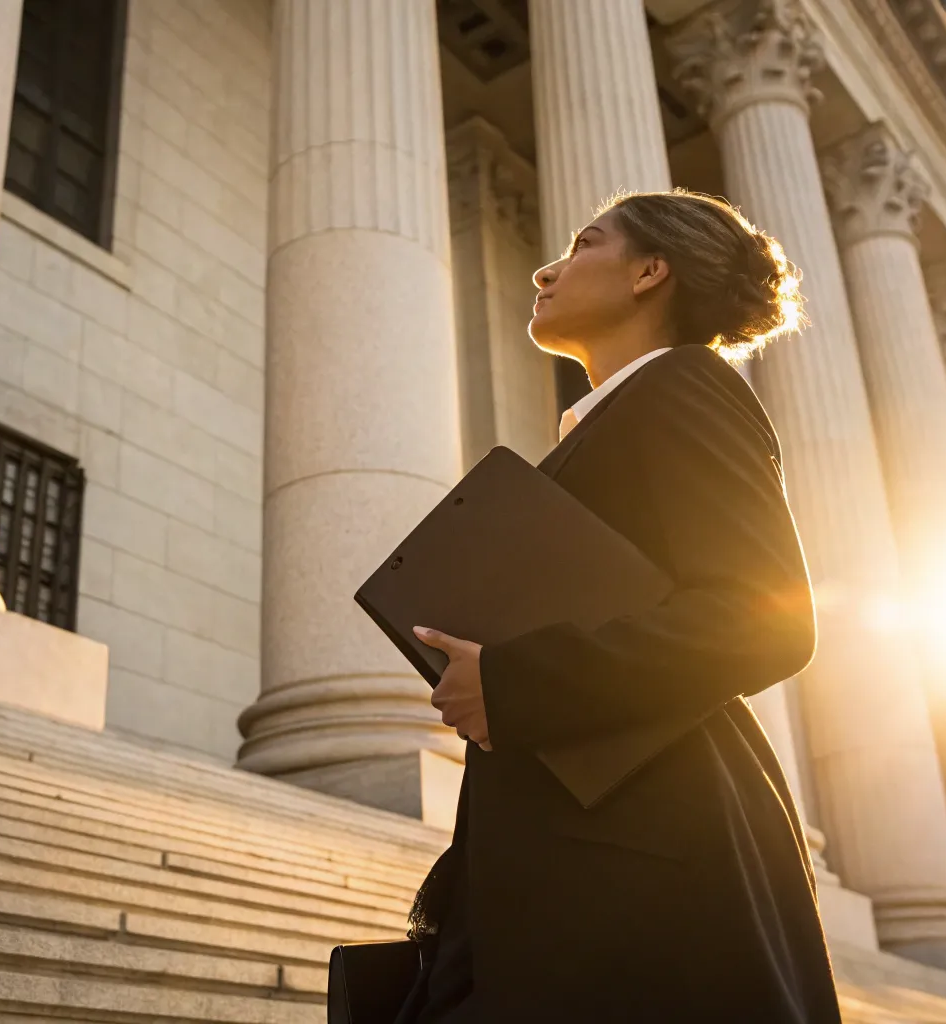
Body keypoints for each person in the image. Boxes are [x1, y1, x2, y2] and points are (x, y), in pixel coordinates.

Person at [395, 189, 840, 1022]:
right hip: (569, 841)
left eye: (584, 243)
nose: (545, 265)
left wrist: (511, 680)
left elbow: (766, 617)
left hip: (648, 839)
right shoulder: (611, 419)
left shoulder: (684, 387)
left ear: (649, 272)